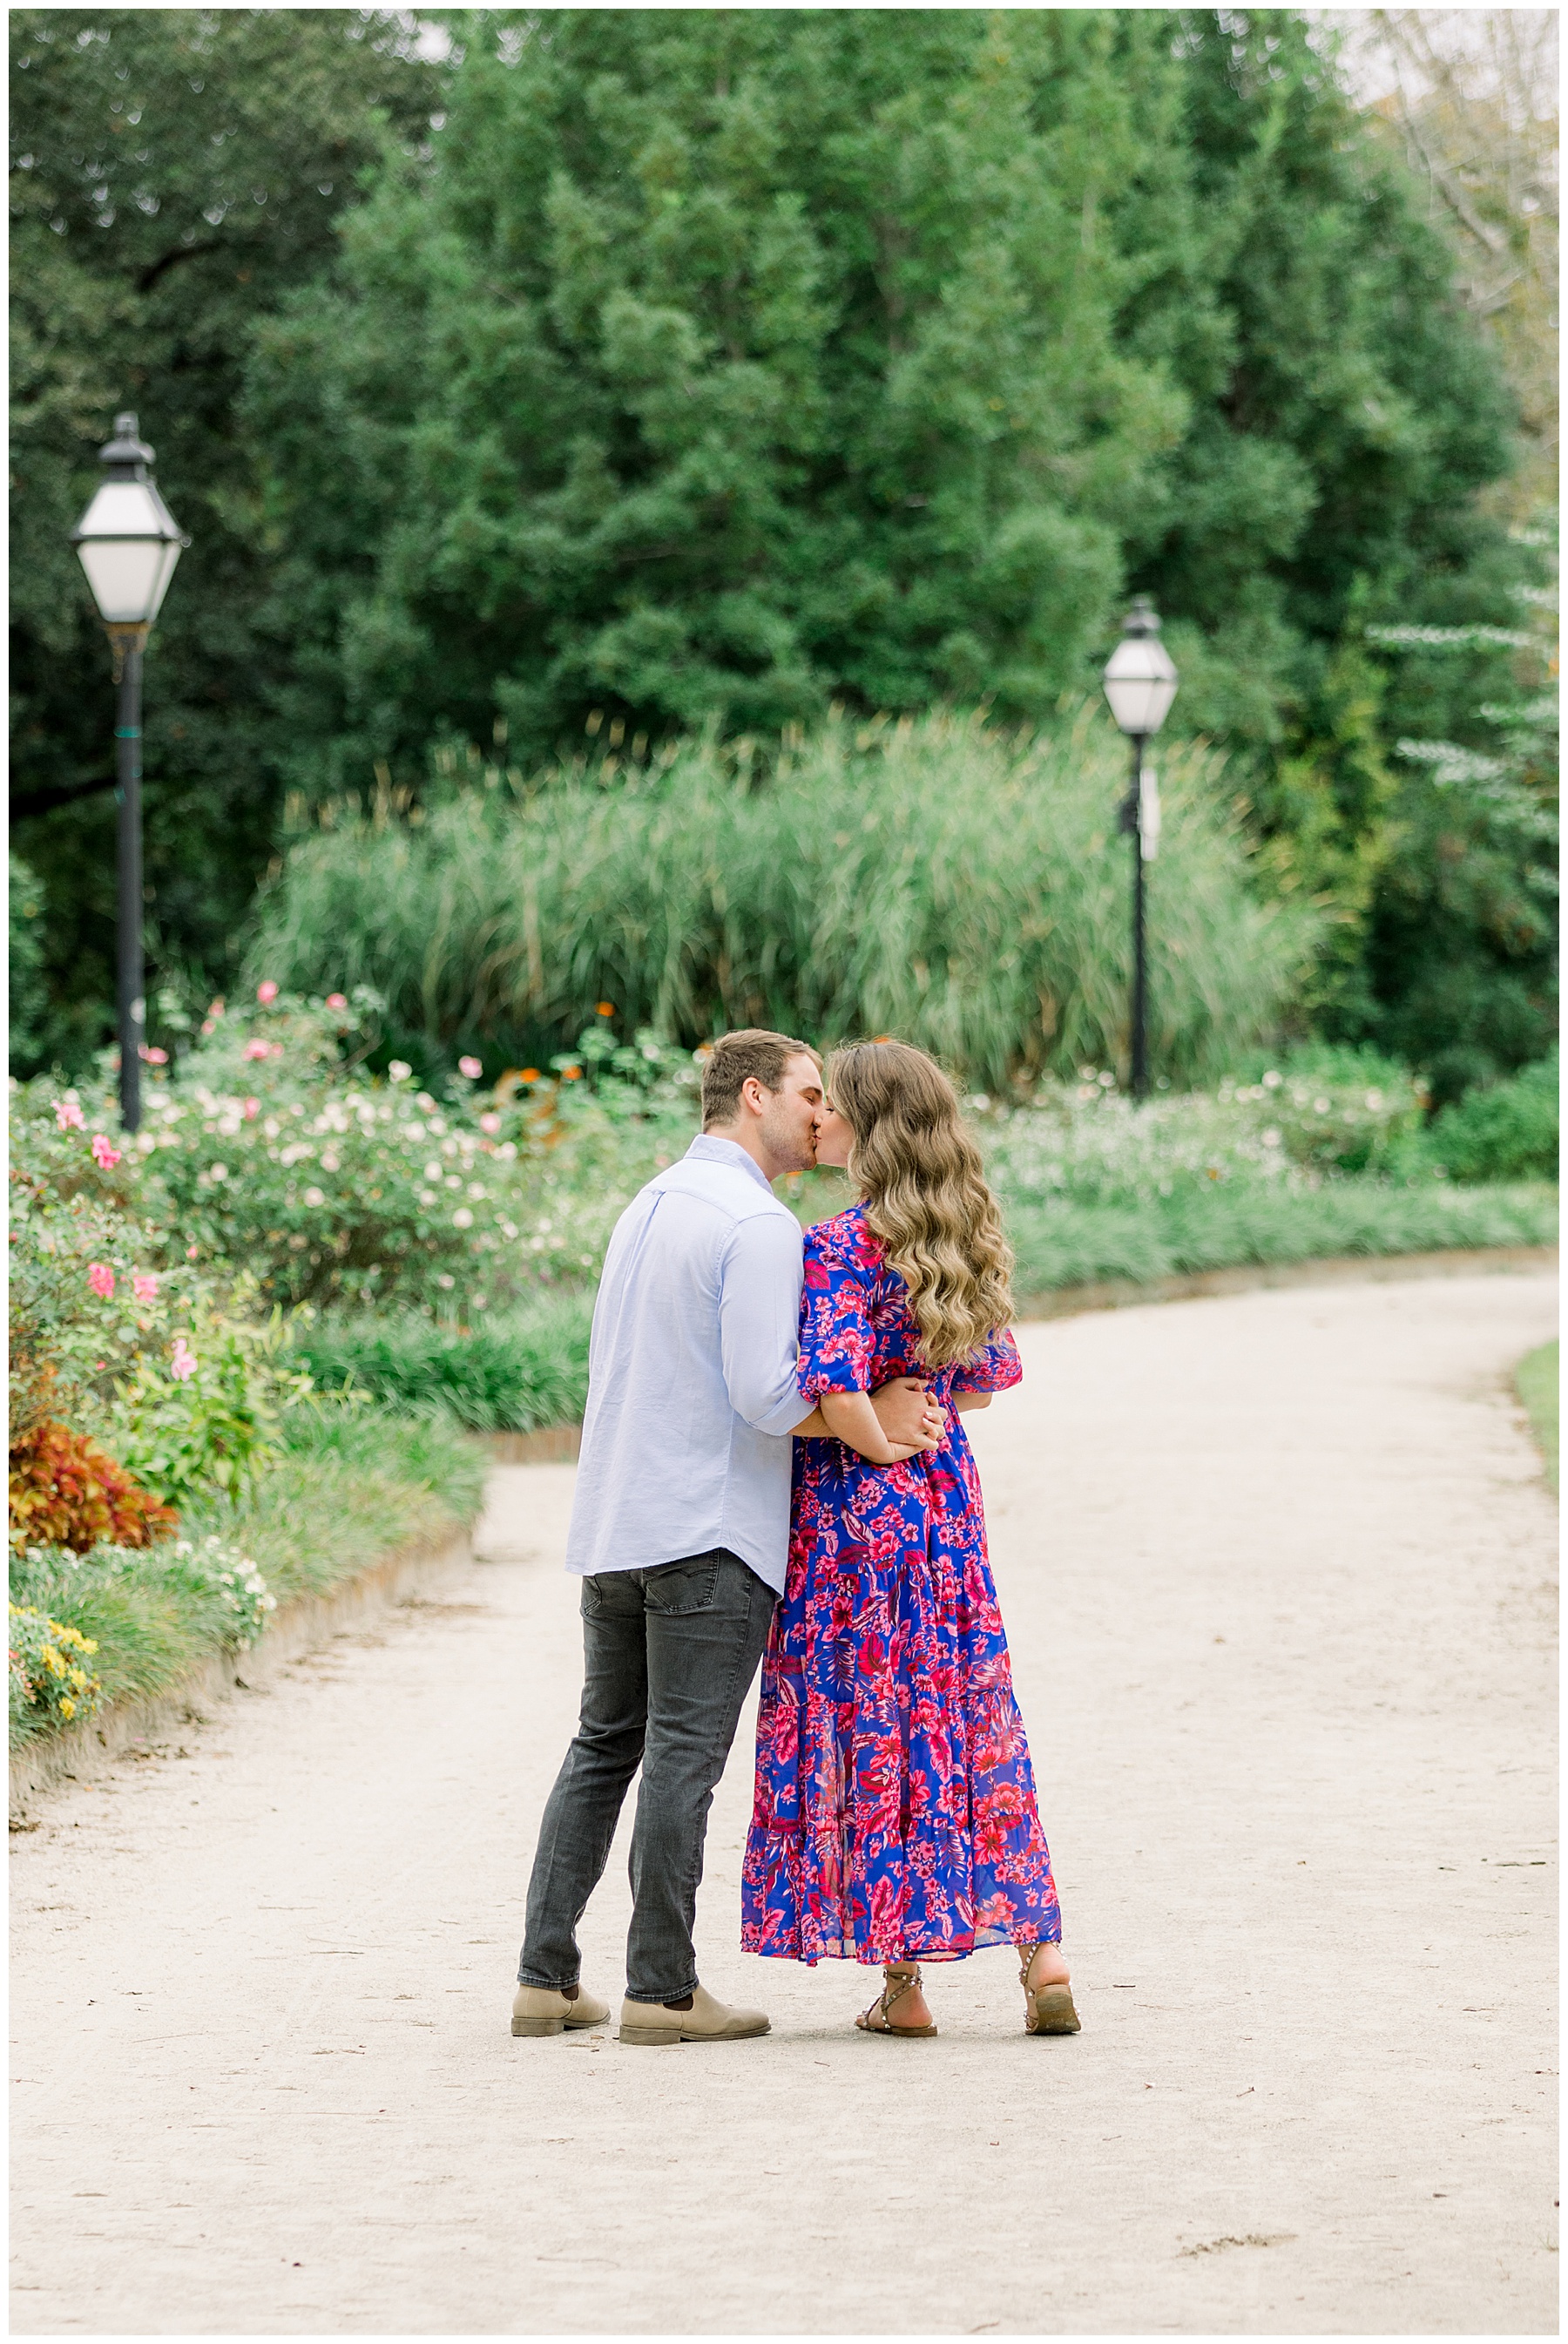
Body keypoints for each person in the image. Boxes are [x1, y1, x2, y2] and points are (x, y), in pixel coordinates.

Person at [511, 1028, 943, 2049]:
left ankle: (545, 1976)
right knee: (681, 1756)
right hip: (708, 1533)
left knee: (602, 1745)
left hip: (615, 1520)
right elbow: (763, 1394)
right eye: (805, 1092)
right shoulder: (758, 1223)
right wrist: (872, 1412)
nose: (821, 1113)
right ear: (753, 1095)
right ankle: (661, 1988)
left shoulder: (649, 1203)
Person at [740, 1039, 1079, 2038]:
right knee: (969, 1711)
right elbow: (980, 1381)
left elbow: (834, 1383)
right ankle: (1040, 1950)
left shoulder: (837, 1241)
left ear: (868, 1127)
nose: (819, 1121)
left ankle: (904, 1984)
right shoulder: (961, 1231)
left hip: (855, 1513)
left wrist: (880, 1439)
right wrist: (922, 1414)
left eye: (832, 1106)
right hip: (945, 1513)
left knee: (870, 1725)